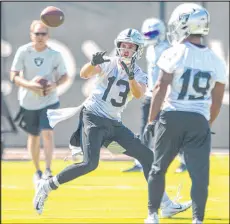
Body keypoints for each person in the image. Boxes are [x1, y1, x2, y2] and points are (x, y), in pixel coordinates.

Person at [33, 28, 191, 216]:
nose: (125, 49)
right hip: (93, 117)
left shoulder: (139, 73)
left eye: (130, 46)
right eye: (123, 45)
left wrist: (131, 76)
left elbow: (139, 93)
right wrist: (92, 63)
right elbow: (84, 74)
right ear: (118, 46)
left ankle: (165, 204)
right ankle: (47, 186)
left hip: (113, 123)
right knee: (90, 164)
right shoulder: (109, 63)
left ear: (137, 49)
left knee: (147, 156)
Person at [144, 3, 227, 224]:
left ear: (184, 25)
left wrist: (151, 121)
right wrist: (205, 124)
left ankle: (152, 215)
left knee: (158, 168)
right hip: (199, 119)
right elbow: (216, 102)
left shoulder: (174, 52)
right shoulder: (216, 61)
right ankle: (198, 220)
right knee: (199, 176)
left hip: (172, 115)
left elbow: (160, 88)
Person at [123, 18, 187, 173]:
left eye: (152, 33)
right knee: (146, 128)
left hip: (166, 95)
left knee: (172, 130)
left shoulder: (168, 49)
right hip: (151, 93)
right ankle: (141, 162)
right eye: (147, 33)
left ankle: (184, 160)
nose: (149, 36)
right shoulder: (150, 49)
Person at [10, 20, 69, 182]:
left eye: (43, 33)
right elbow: (13, 75)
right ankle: (37, 170)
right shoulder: (23, 51)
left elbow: (65, 76)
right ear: (31, 35)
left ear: (48, 36)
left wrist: (54, 85)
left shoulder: (54, 54)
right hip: (28, 101)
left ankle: (48, 169)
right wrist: (30, 85)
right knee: (34, 136)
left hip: (49, 100)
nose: (40, 37)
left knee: (48, 133)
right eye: (37, 33)